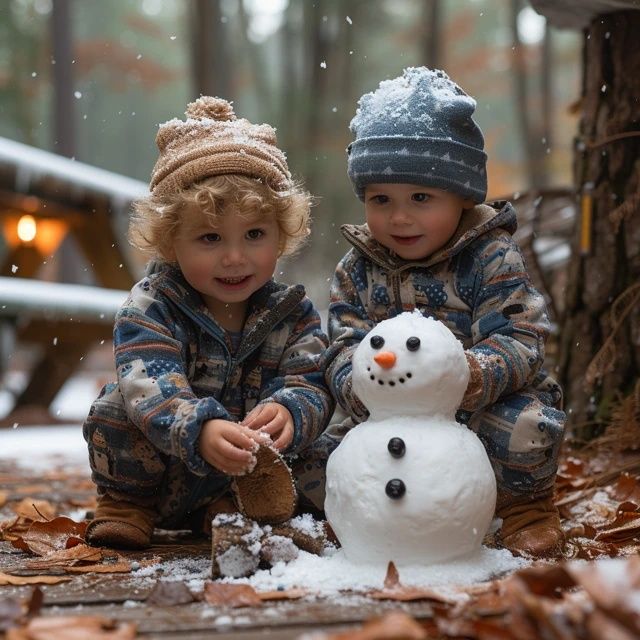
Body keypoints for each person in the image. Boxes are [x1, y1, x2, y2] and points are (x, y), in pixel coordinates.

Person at [323, 67, 565, 558]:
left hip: (479, 405)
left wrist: (467, 376)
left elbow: (520, 336)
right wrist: (361, 386)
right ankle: (356, 509)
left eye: (421, 198)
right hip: (385, 408)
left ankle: (523, 507)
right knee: (318, 452)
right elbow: (343, 342)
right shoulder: (356, 269)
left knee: (525, 429)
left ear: (462, 195)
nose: (399, 217)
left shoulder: (490, 256)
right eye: (380, 200)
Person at [83, 96, 333, 549]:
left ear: (281, 233)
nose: (235, 257)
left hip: (247, 473)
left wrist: (293, 410)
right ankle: (126, 505)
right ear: (169, 242)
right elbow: (148, 384)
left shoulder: (292, 314)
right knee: (116, 406)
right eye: (210, 238)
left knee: (332, 442)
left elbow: (313, 378)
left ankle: (226, 509)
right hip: (161, 472)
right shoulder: (153, 305)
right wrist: (198, 427)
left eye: (254, 234)